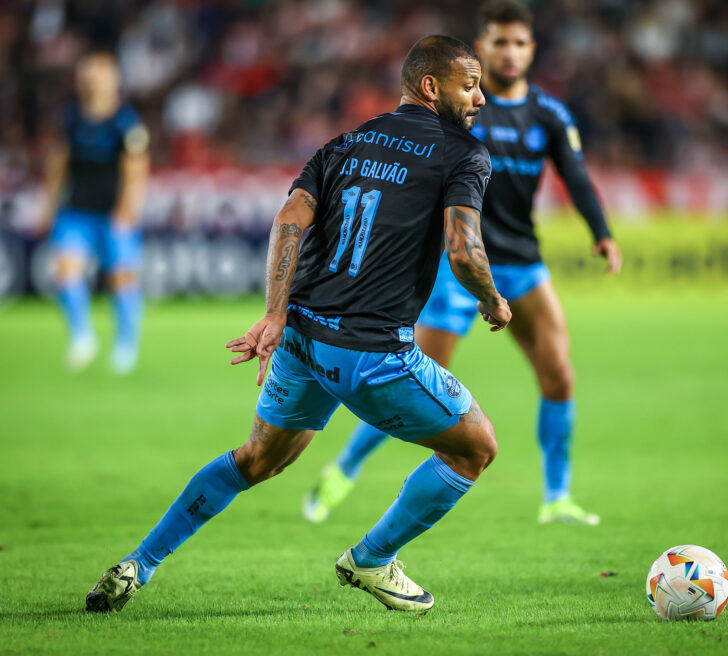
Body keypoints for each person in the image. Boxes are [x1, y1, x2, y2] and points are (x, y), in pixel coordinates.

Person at [85, 35, 510, 614]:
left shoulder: (344, 144)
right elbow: (464, 252)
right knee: (475, 448)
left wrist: (275, 313)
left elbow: (289, 219)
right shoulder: (463, 153)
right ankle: (372, 559)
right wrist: (493, 300)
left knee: (258, 459)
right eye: (470, 84)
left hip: (303, 341)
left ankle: (139, 563)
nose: (481, 97)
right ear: (431, 86)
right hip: (372, 353)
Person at [304, 0, 622, 526]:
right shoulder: (461, 107)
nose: (510, 52)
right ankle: (345, 468)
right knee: (414, 381)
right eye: (499, 42)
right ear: (484, 45)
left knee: (559, 374)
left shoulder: (549, 114)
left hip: (521, 260)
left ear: (532, 50)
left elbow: (577, 176)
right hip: (459, 264)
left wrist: (603, 233)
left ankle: (557, 497)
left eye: (520, 43)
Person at [40, 52, 150, 374]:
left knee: (121, 279)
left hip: (113, 213)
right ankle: (82, 337)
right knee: (66, 271)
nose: (90, 81)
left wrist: (127, 209)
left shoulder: (125, 121)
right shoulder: (71, 116)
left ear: (112, 80)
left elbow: (136, 169)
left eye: (97, 76)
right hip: (76, 210)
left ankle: (126, 346)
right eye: (85, 75)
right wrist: (48, 205)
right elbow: (58, 164)